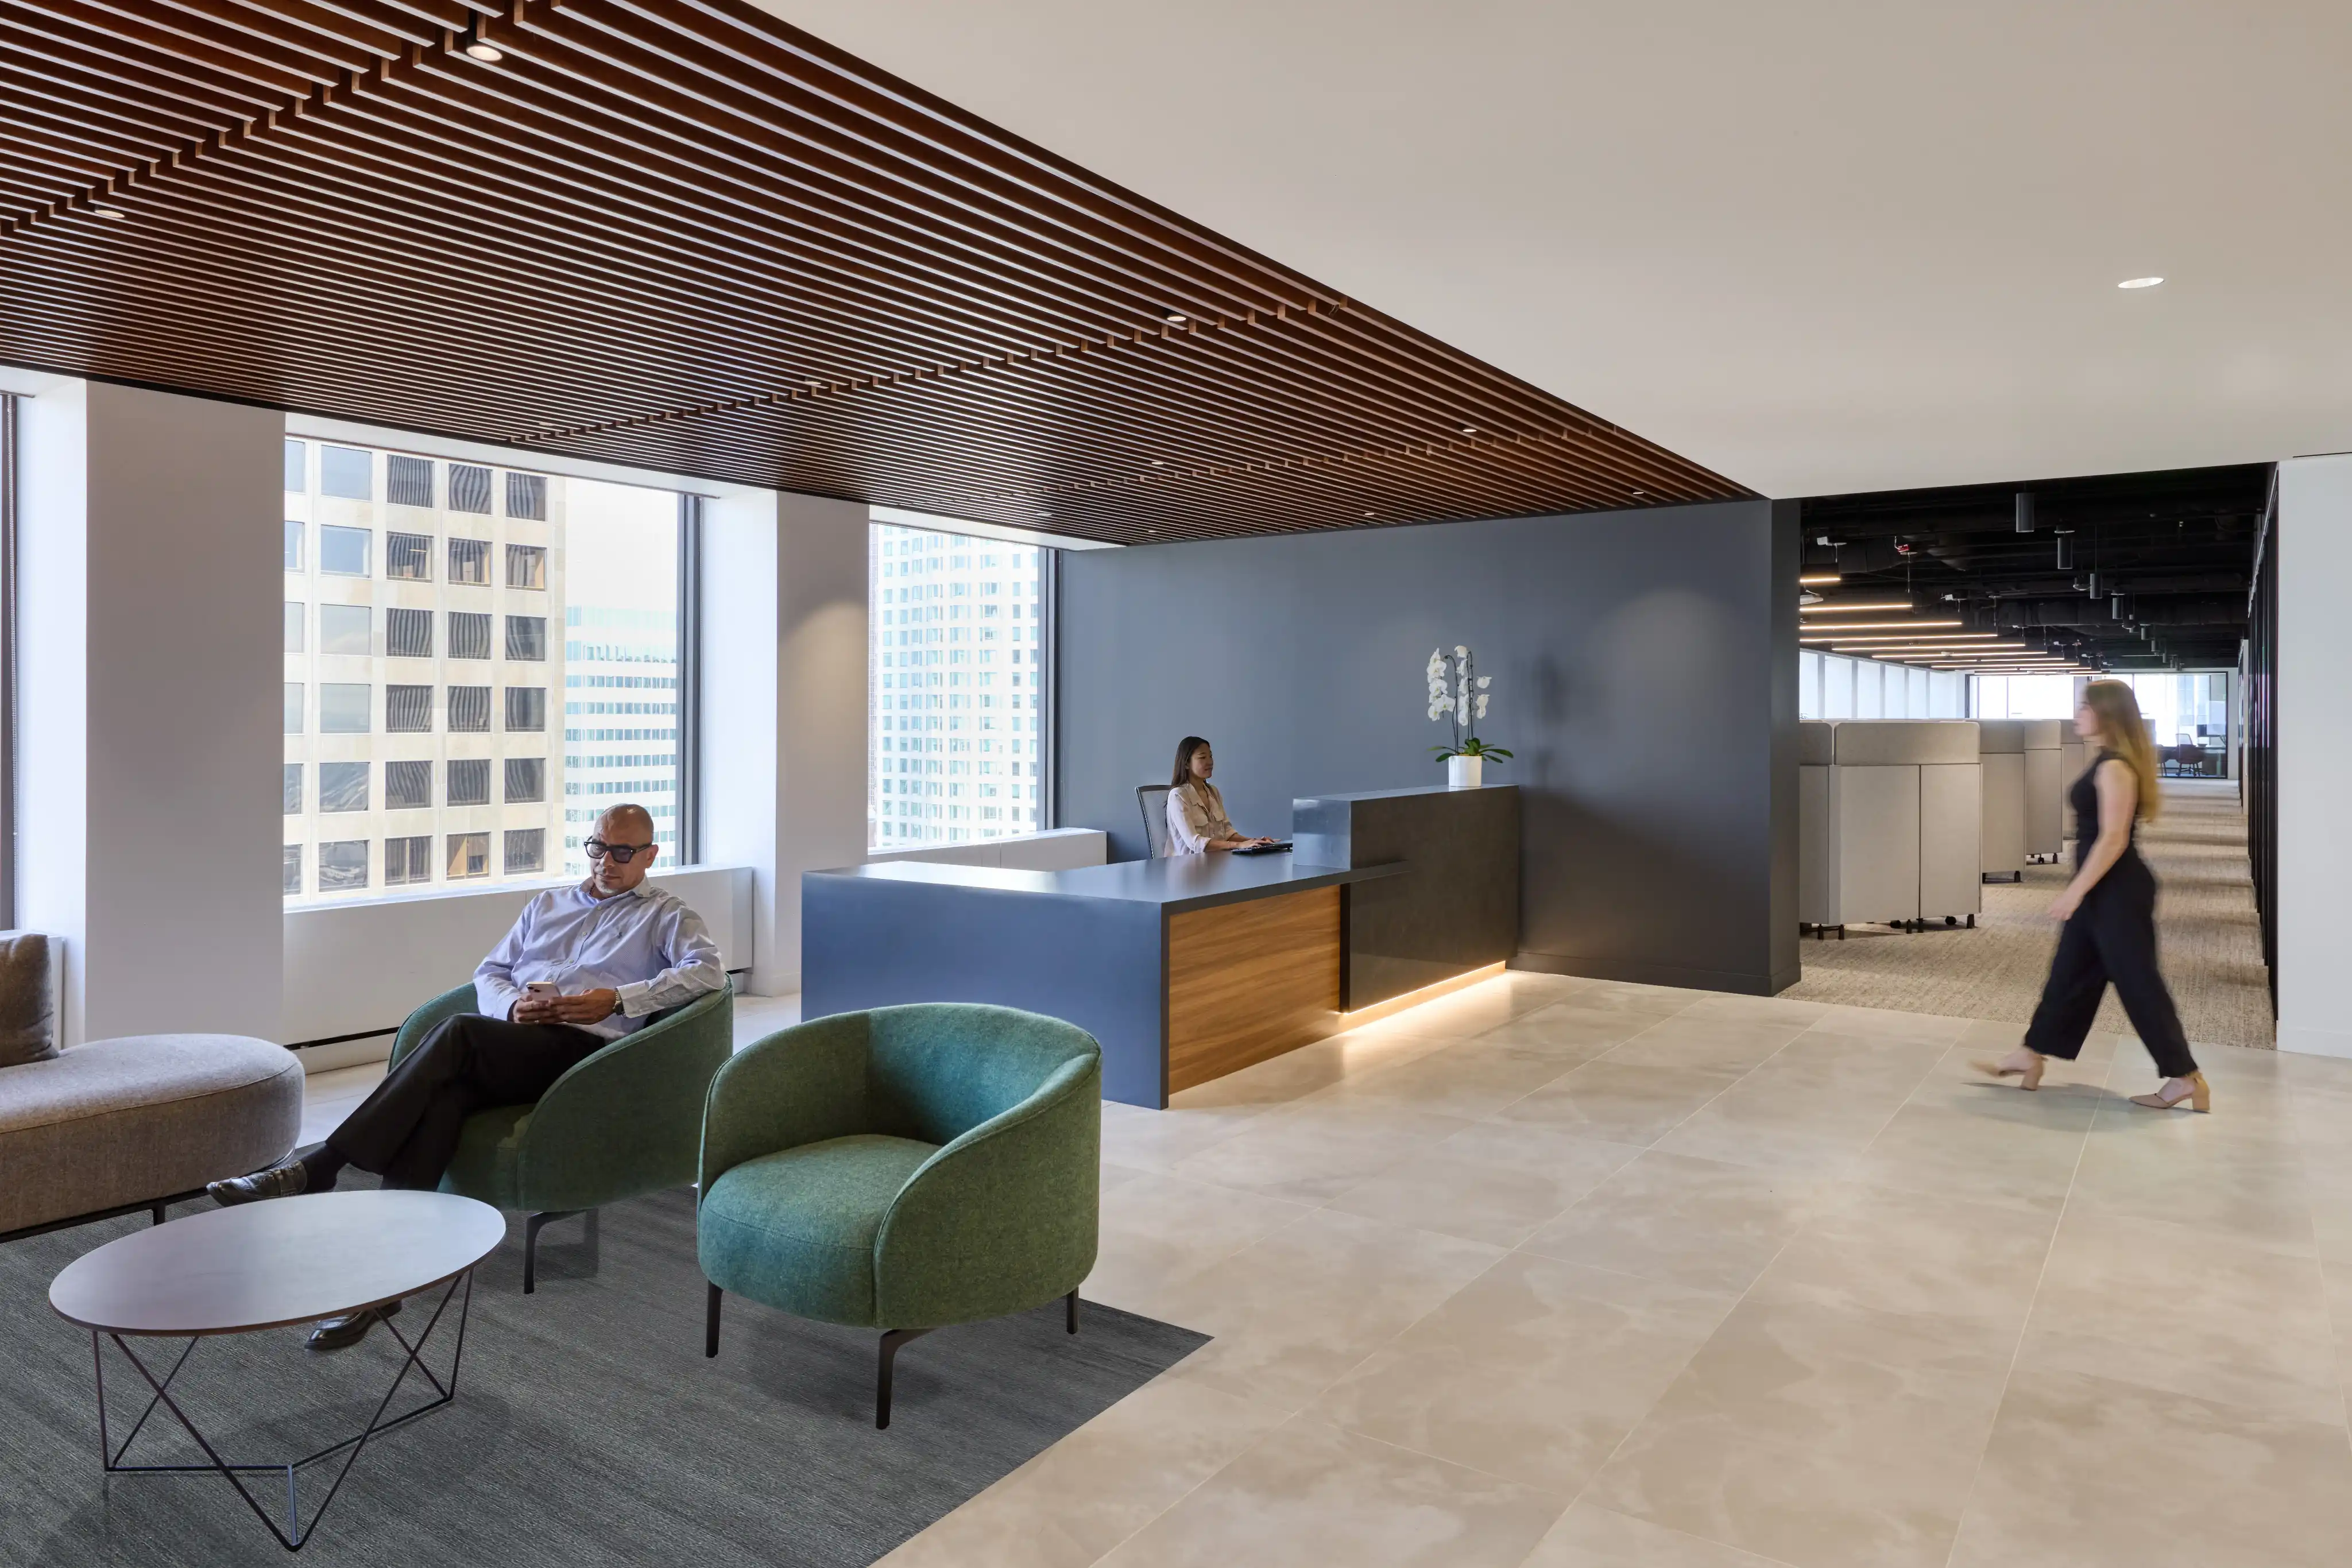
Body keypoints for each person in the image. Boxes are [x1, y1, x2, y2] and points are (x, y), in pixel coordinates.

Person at [210, 803, 725, 1348]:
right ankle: (380, 1287)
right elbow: (491, 972)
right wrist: (510, 1009)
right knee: (446, 1100)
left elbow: (707, 970)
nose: (606, 862)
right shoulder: (548, 903)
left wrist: (616, 998)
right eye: (598, 847)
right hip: (516, 1040)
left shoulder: (666, 914)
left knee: (458, 1032)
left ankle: (321, 1165)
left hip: (585, 1057)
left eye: (623, 852)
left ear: (649, 855)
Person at [1975, 681, 2209, 1112]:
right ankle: (2032, 1051)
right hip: (2103, 888)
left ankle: (2183, 1075)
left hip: (2117, 891)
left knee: (2139, 982)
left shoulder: (2116, 766)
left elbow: (2114, 838)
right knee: (2069, 972)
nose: (2077, 714)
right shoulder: (2108, 761)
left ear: (2106, 714)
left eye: (2084, 707)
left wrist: (2075, 891)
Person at [1165, 736, 1274, 855]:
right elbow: (1194, 843)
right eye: (1203, 757)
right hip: (1187, 868)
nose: (1210, 762)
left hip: (1215, 864)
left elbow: (1227, 833)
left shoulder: (1213, 792)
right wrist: (1239, 845)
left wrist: (1254, 842)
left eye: (1211, 756)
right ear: (1186, 764)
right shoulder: (1178, 796)